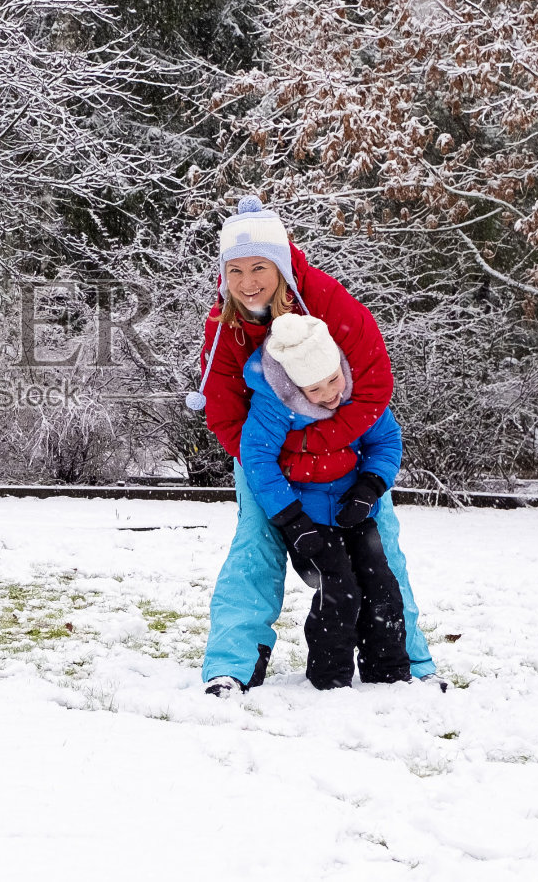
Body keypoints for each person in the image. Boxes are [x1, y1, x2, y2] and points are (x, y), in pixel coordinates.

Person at [186, 195, 438, 694]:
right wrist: (282, 466)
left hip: (348, 453)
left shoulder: (327, 301)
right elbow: (224, 412)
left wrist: (339, 458)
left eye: (260, 267)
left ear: (281, 264)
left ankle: (410, 663)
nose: (248, 282)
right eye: (234, 270)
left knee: (381, 548)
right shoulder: (226, 327)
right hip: (265, 461)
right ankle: (232, 665)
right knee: (253, 551)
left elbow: (370, 389)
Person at [226, 313, 411, 690]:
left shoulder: (355, 395)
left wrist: (369, 487)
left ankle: (388, 672)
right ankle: (330, 676)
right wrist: (291, 520)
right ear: (294, 387)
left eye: (333, 379)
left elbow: (386, 440)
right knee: (338, 587)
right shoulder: (275, 407)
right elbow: (258, 460)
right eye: (314, 389)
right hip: (306, 518)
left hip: (354, 511)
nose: (329, 394)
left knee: (382, 585)